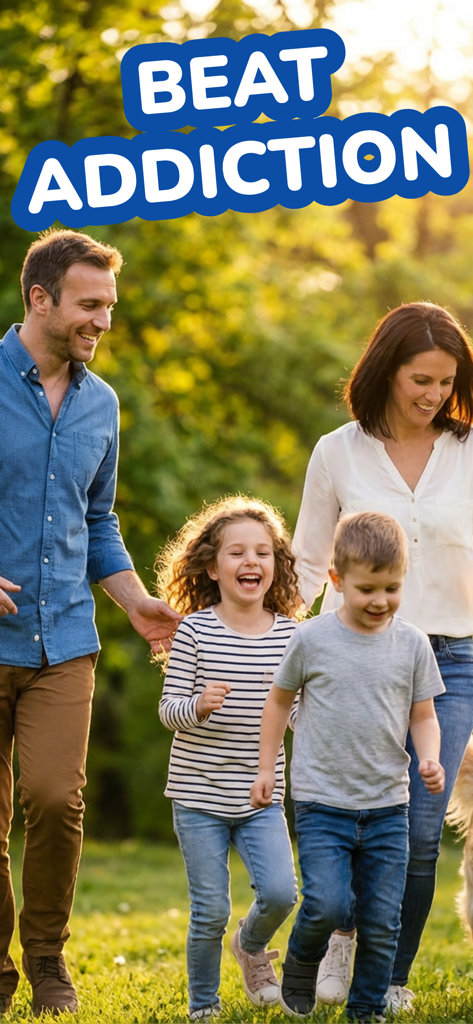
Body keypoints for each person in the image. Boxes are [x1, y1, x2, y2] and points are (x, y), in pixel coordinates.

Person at [0, 229, 181, 1017]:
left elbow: (97, 521)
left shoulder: (101, 403)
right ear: (39, 299)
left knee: (53, 798)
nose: (102, 320)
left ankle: (46, 960)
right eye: (89, 305)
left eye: (108, 305)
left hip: (64, 636)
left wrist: (136, 602)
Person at [291, 301, 473, 1013]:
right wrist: (270, 648)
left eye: (444, 382)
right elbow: (308, 563)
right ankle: (340, 936)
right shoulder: (337, 451)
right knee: (353, 808)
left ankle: (388, 975)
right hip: (356, 657)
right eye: (419, 379)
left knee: (420, 828)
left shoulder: (468, 450)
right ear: (384, 370)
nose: (431, 395)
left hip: (454, 661)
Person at [251, 511, 445, 1022]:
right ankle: (300, 962)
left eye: (392, 588)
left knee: (382, 920)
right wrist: (267, 767)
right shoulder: (311, 639)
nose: (380, 601)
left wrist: (429, 756)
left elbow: (423, 715)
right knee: (328, 904)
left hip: (387, 805)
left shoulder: (412, 644)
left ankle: (366, 1007)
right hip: (322, 803)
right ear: (336, 582)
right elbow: (277, 702)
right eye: (367, 589)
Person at [156, 495, 303, 1020]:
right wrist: (198, 705)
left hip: (261, 792)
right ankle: (203, 1005)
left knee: (283, 893)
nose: (251, 562)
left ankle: (251, 942)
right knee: (209, 910)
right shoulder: (194, 631)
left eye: (263, 552)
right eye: (237, 552)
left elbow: (302, 713)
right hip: (198, 798)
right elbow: (168, 711)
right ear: (213, 568)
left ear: (276, 566)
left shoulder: (292, 636)